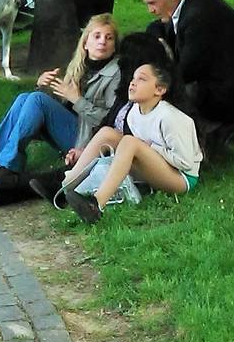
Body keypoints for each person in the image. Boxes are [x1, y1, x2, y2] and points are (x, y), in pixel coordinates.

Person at [0, 15, 121, 210]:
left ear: (114, 46)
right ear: (85, 42)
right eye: (97, 36)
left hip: (89, 140)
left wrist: (77, 99)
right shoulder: (79, 66)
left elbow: (110, 120)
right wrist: (43, 86)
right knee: (25, 99)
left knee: (36, 101)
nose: (103, 41)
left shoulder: (116, 73)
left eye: (109, 38)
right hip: (74, 129)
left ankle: (2, 171)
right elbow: (59, 106)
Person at [136, 0, 234, 148]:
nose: (150, 10)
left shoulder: (199, 17)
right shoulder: (190, 1)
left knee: (169, 93)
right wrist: (160, 42)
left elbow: (184, 73)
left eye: (152, 3)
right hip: (220, 84)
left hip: (232, 96)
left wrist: (150, 84)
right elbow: (156, 27)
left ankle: (216, 131)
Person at [62, 61, 203, 225]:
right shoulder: (134, 112)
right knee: (107, 133)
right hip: (158, 167)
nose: (133, 82)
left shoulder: (170, 118)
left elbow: (185, 163)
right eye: (133, 78)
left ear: (160, 90)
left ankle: (96, 205)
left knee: (130, 142)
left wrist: (151, 148)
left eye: (142, 79)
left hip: (181, 178)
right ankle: (65, 186)